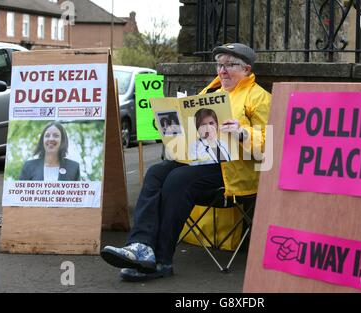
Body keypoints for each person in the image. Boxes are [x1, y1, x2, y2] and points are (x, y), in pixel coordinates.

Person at [101, 43, 272, 281]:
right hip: (199, 160)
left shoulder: (259, 97)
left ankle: (162, 259)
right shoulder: (207, 93)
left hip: (234, 169)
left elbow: (271, 146)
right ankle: (141, 247)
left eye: (230, 65)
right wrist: (171, 129)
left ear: (246, 69)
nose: (223, 70)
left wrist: (242, 133)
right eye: (220, 65)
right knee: (156, 173)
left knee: (177, 180)